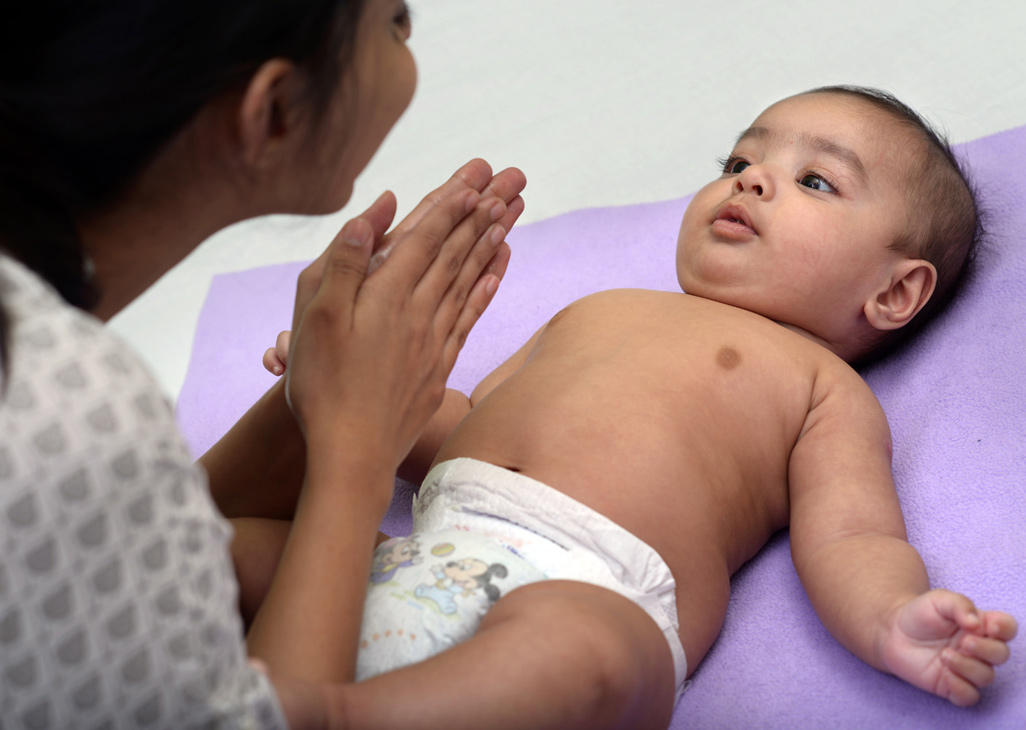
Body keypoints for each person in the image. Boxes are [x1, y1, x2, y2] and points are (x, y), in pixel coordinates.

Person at [260, 86, 1017, 729]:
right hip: (425, 555)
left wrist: (894, 619)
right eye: (739, 162)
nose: (750, 182)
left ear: (893, 293)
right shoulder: (601, 308)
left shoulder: (822, 388)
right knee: (228, 546)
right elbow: (465, 425)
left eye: (816, 181)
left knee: (583, 646)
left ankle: (334, 716)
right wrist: (345, 384)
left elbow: (852, 535)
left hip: (597, 590)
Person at [0, 0, 527, 727]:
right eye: (394, 13)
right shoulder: (60, 406)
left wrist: (314, 404)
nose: (409, 33)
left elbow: (93, 567)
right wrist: (355, 454)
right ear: (276, 111)